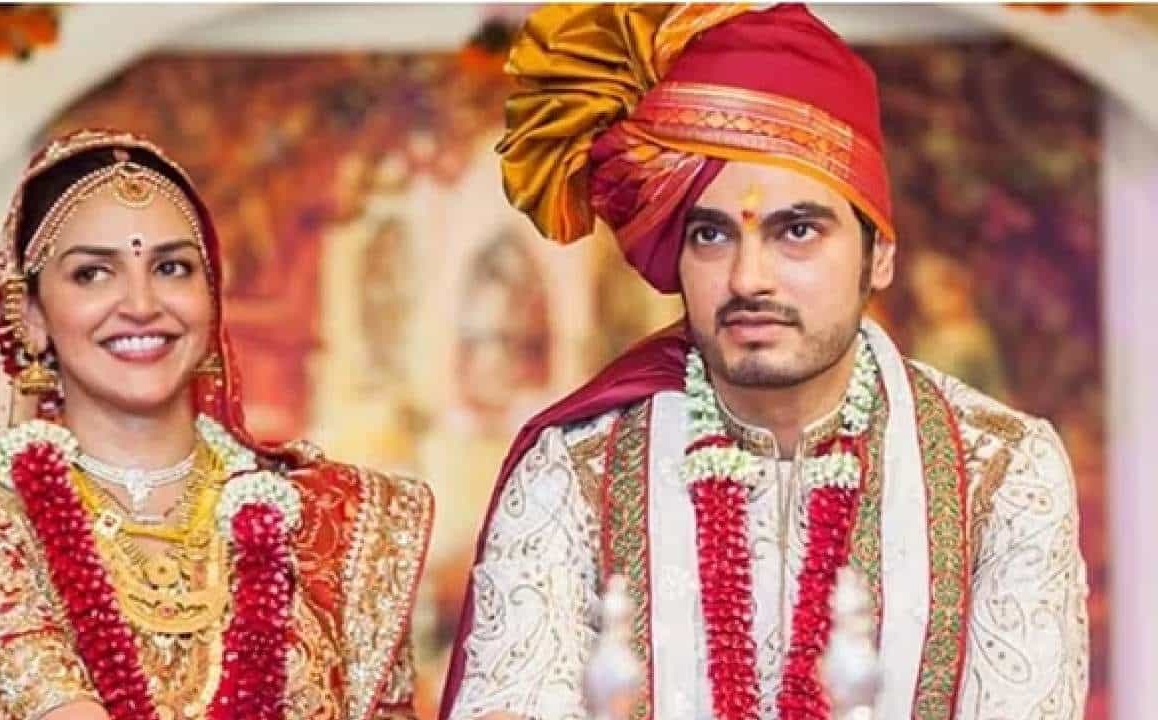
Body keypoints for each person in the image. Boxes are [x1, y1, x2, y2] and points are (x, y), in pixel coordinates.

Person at [440, 5, 1087, 720]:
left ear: (879, 255)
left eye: (797, 231)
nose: (749, 278)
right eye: (711, 236)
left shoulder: (1002, 473)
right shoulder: (573, 470)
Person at [0, 129, 432, 720]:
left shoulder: (339, 520)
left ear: (211, 299)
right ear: (32, 316)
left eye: (171, 267)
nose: (142, 304)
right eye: (93, 273)